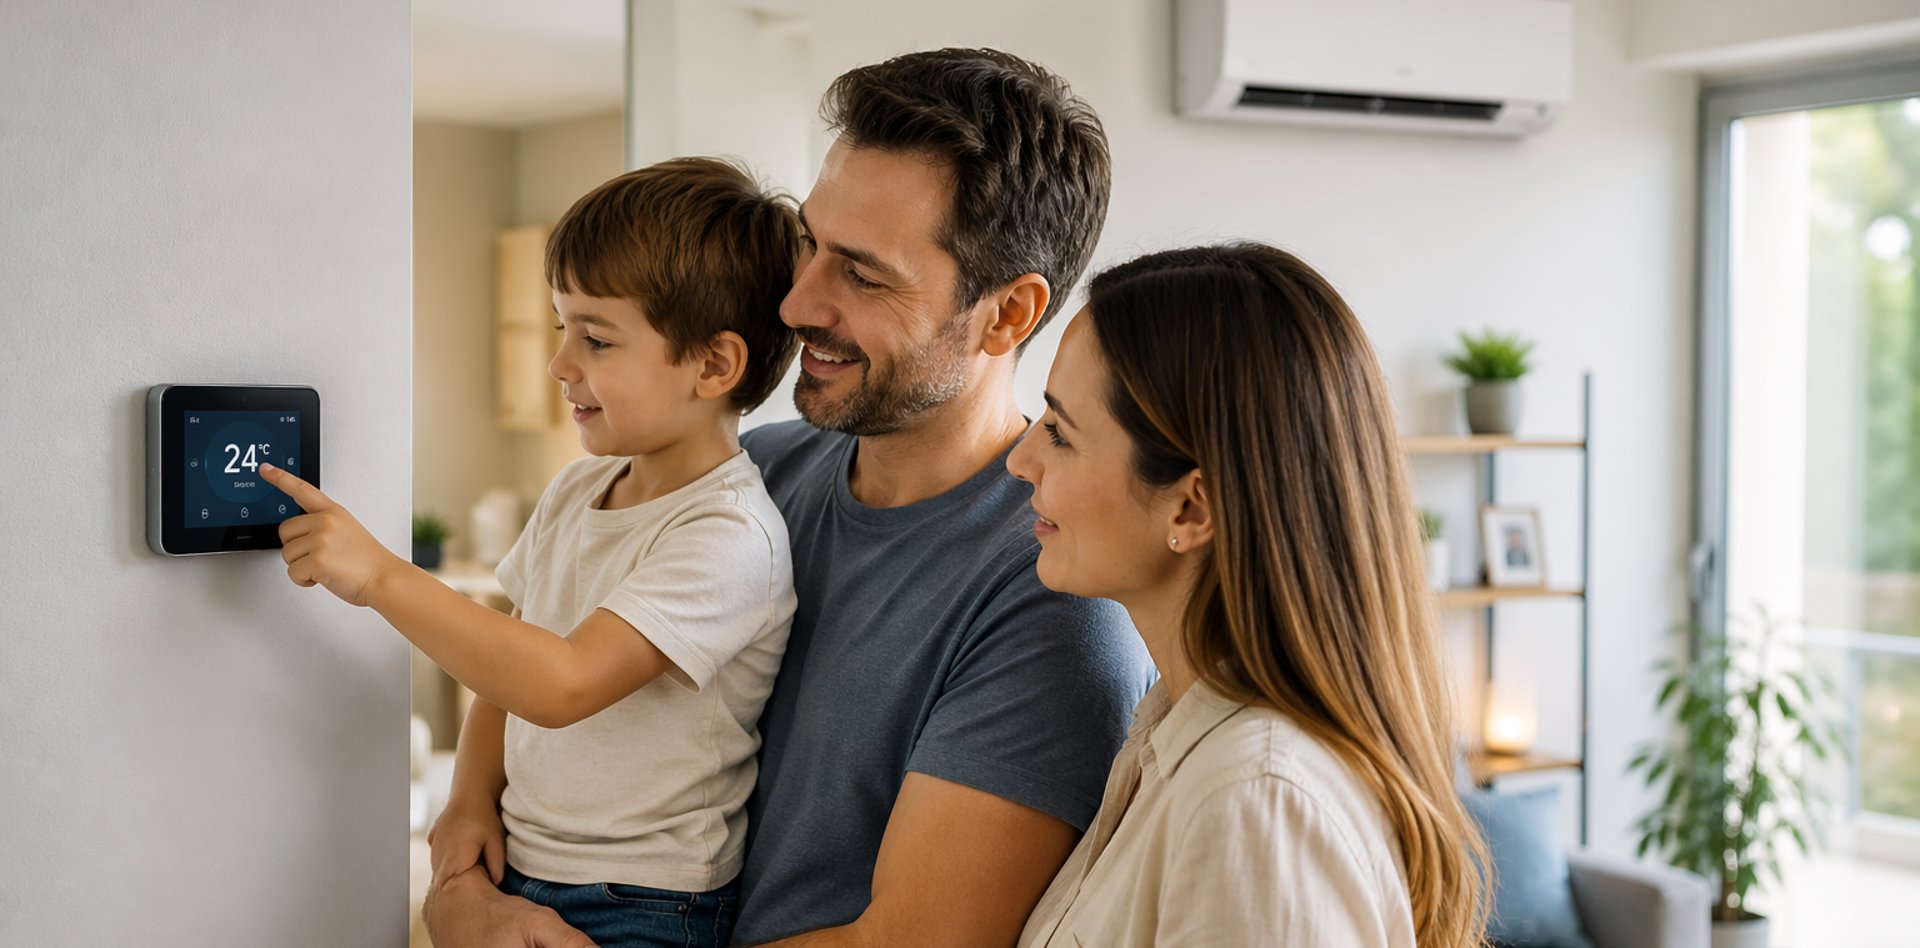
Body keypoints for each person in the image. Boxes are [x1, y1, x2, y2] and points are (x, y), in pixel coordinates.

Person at [425, 48, 1155, 948]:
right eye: (810, 242)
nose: (796, 301)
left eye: (862, 272)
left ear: (1007, 314)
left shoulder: (1054, 600)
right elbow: (538, 656)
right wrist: (464, 889)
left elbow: (909, 943)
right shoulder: (748, 474)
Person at [262, 157, 805, 948]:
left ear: (714, 365)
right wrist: (470, 800)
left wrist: (382, 576)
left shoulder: (728, 536)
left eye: (597, 338)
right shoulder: (577, 490)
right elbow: (506, 677)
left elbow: (561, 681)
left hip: (646, 903)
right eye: (561, 328)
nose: (560, 363)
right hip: (522, 859)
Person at [1007, 243, 1491, 946]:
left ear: (1191, 510)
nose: (1022, 459)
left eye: (1059, 432)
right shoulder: (1173, 742)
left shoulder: (1255, 803)